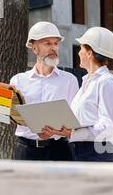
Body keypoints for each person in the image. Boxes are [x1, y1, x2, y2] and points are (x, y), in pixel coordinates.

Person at [43, 27, 113, 162]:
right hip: (79, 152)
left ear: (89, 53)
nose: (79, 53)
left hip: (96, 154)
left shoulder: (107, 83)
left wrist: (72, 133)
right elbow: (83, 120)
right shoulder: (89, 82)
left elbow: (108, 127)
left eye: (81, 48)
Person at [10, 21, 79, 161]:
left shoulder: (69, 81)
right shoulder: (17, 81)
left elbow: (74, 121)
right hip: (26, 152)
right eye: (47, 43)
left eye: (56, 43)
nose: (53, 48)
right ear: (34, 48)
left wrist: (55, 131)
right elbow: (10, 117)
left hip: (59, 151)